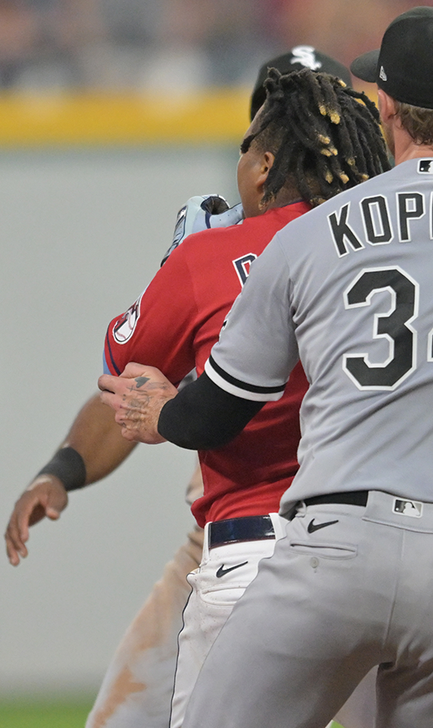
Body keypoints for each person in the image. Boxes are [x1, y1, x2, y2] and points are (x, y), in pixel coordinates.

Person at [5, 50, 383, 728]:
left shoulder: (216, 254)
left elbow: (126, 374)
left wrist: (179, 265)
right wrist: (64, 468)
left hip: (250, 541)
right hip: (374, 541)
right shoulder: (384, 245)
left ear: (267, 157)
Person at [99, 7, 433, 726]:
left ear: (385, 108)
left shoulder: (314, 235)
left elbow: (215, 410)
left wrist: (162, 413)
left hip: (331, 548)